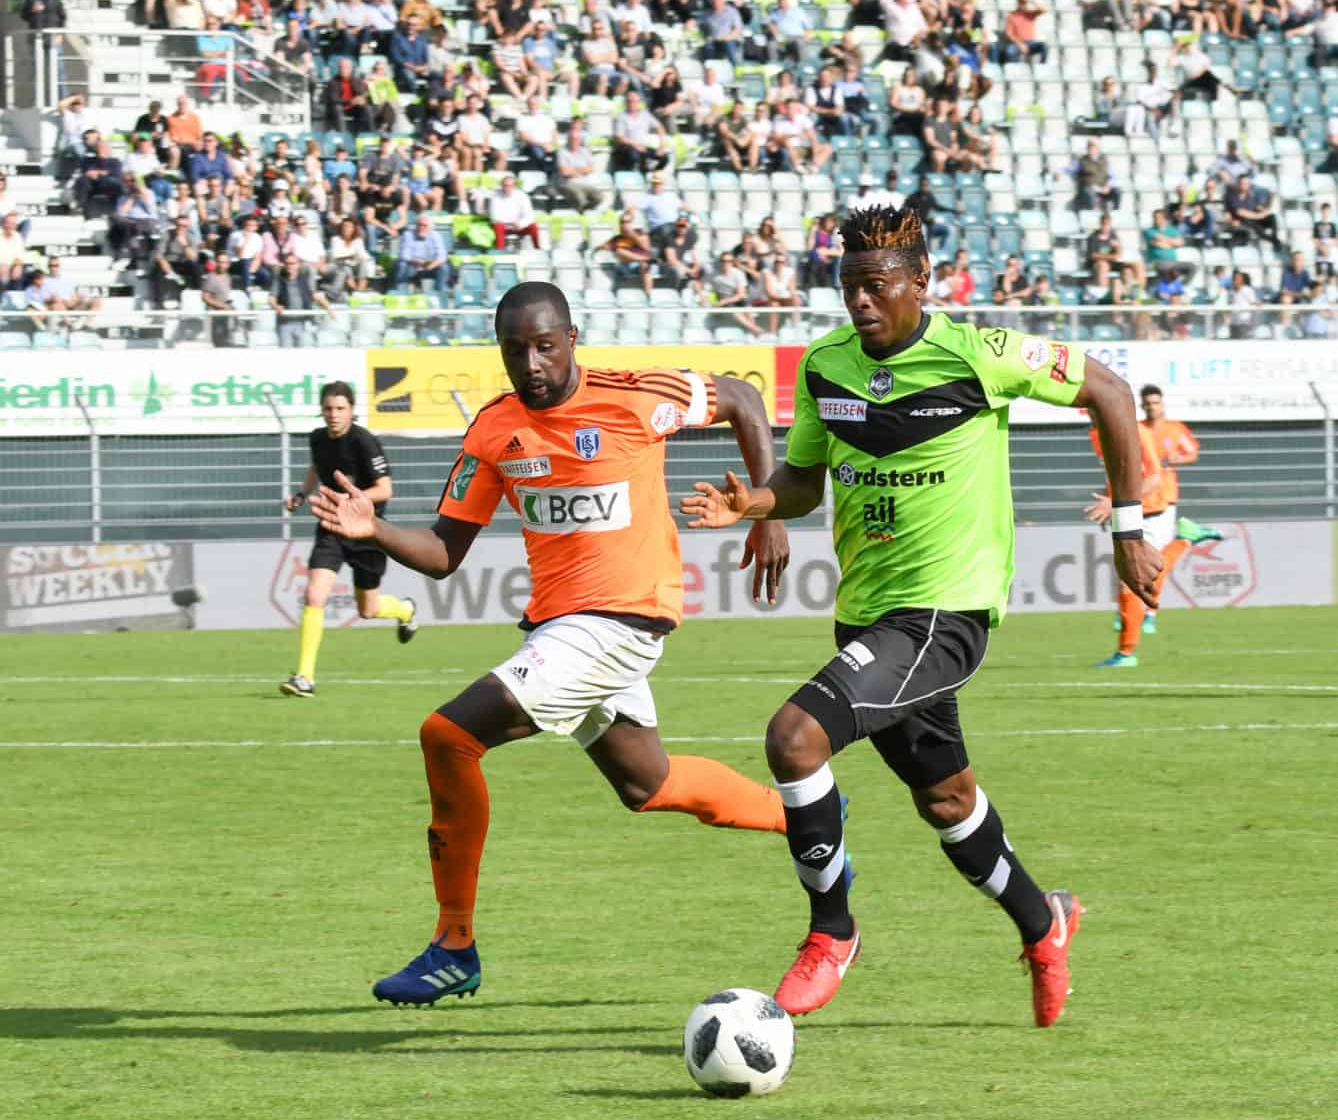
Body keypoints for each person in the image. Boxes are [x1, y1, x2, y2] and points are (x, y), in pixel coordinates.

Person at [679, 204, 1163, 1024]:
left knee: (794, 738)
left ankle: (832, 933)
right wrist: (754, 502)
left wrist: (1127, 529)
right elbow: (803, 483)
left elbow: (1109, 391)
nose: (860, 301)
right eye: (848, 286)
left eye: (876, 285)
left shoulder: (980, 353)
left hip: (946, 612)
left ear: (921, 281)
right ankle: (1045, 923)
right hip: (868, 614)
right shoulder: (826, 367)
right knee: (947, 802)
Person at [309, 282, 794, 1005]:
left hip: (624, 619)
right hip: (563, 628)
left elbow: (745, 401)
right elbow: (444, 553)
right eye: (515, 351)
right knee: (649, 784)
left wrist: (766, 510)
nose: (531, 364)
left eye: (544, 346)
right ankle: (804, 816)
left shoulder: (636, 396)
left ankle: (454, 944)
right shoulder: (494, 431)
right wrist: (373, 528)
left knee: (448, 736)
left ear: (572, 339)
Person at [281, 381, 418, 698]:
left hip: (367, 531)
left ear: (352, 410)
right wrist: (301, 494)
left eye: (340, 408)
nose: (334, 414)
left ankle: (405, 610)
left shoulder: (364, 442)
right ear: (321, 410)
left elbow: (385, 489)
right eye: (328, 408)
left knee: (368, 609)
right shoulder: (317, 438)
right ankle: (304, 677)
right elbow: (316, 467)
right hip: (332, 528)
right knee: (314, 594)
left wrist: (351, 502)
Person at [1086, 393, 1221, 667]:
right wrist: (1110, 503)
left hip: (1150, 510)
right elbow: (1118, 474)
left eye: (1094, 408)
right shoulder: (1098, 435)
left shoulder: (1136, 432)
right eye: (1088, 409)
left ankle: (1127, 652)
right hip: (1125, 510)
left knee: (1135, 578)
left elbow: (1154, 479)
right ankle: (1129, 645)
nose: (1090, 413)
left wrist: (1115, 502)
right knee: (1133, 578)